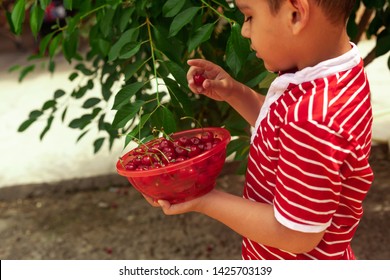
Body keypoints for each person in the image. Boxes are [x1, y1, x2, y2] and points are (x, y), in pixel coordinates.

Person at [144, 0, 374, 260]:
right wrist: (235, 92)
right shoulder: (338, 74)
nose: (244, 31)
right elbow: (281, 131)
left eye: (249, 17)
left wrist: (203, 198)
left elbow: (295, 235)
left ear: (295, 14)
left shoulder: (313, 119)